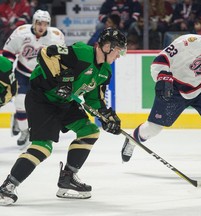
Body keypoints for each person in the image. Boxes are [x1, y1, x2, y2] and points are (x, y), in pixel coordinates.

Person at [0, 27, 127, 205]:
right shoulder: (82, 52)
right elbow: (47, 52)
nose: (119, 55)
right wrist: (60, 80)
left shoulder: (105, 72)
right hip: (42, 99)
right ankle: (7, 187)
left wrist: (107, 117)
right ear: (107, 46)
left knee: (89, 131)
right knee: (43, 147)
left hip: (64, 103)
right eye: (118, 50)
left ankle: (68, 178)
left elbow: (94, 100)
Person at [121, 16, 201, 174]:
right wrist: (163, 77)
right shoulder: (188, 42)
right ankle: (132, 139)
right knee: (153, 129)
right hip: (174, 88)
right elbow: (161, 59)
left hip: (200, 88)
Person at [2, 9, 65, 148]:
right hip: (22, 73)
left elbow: (61, 59)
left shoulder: (56, 36)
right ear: (33, 23)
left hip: (42, 76)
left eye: (45, 23)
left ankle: (19, 120)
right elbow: (8, 53)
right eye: (39, 23)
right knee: (20, 101)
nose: (41, 26)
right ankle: (25, 131)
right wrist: (5, 73)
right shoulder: (21, 32)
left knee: (37, 107)